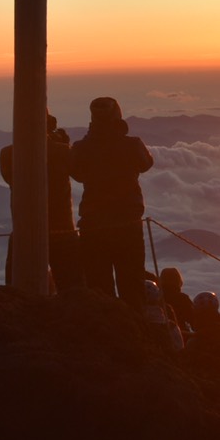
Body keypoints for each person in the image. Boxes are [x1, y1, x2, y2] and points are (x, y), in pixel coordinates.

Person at [68, 96, 154, 307]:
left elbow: (76, 173)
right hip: (127, 224)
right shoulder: (132, 145)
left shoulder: (81, 148)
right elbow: (146, 164)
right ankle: (135, 332)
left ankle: (106, 331)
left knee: (98, 287)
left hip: (93, 224)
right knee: (132, 284)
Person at [0, 113, 84, 293]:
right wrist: (62, 145)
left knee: (18, 292)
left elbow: (9, 179)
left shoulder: (7, 154)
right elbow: (80, 174)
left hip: (24, 231)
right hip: (62, 230)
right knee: (72, 290)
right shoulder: (62, 151)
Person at [158, 267, 196, 335]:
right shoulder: (183, 299)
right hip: (180, 335)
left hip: (158, 334)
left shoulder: (156, 297)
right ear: (178, 280)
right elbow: (193, 320)